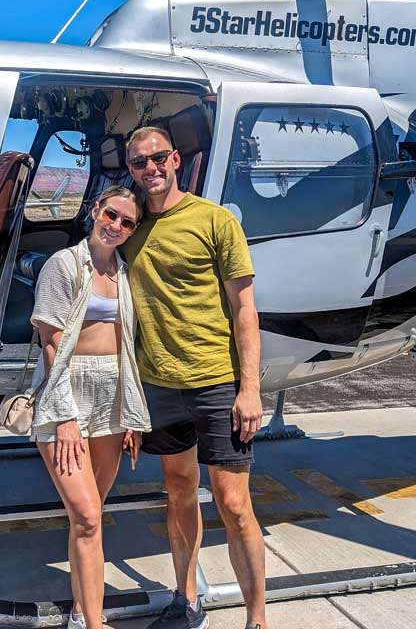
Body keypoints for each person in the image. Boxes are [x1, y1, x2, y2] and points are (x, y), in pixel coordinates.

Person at [122, 127, 265, 629]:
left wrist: (250, 389)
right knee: (179, 491)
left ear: (176, 159)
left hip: (214, 382)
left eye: (158, 158)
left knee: (233, 503)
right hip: (159, 385)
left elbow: (244, 308)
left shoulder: (214, 220)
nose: (150, 169)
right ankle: (186, 600)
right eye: (139, 163)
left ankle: (256, 618)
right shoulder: (129, 226)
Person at [30, 186, 152, 629]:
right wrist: (64, 417)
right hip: (68, 393)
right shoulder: (64, 265)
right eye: (111, 215)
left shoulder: (123, 272)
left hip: (111, 396)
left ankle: (82, 611)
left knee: (90, 519)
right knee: (84, 515)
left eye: (126, 222)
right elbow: (51, 342)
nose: (116, 226)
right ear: (95, 210)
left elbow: (126, 348)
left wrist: (131, 417)